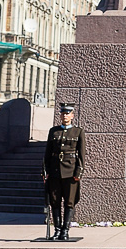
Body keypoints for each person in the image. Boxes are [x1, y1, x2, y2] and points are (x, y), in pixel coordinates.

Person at [43, 103, 85, 241]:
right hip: (55, 171)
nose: (65, 116)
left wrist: (78, 172)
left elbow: (81, 154)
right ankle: (57, 229)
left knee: (69, 202)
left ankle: (65, 231)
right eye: (63, 114)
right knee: (55, 201)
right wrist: (45, 171)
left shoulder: (78, 132)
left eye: (68, 114)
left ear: (72, 116)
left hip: (70, 171)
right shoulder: (53, 131)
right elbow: (47, 153)